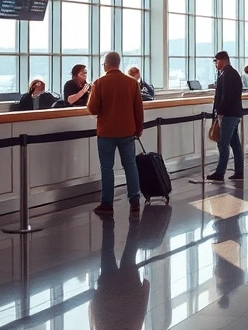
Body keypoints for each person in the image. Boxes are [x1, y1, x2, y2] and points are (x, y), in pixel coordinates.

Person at [88, 52, 144, 215]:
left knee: (107, 168)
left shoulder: (99, 83)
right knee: (130, 165)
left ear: (106, 65)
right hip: (127, 131)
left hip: (106, 132)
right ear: (119, 64)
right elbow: (138, 110)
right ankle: (134, 201)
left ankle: (107, 203)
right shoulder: (131, 83)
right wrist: (138, 129)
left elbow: (92, 109)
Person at [89, 216, 150, 330]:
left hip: (130, 288)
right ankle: (108, 219)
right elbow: (97, 314)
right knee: (107, 250)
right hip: (109, 290)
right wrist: (98, 295)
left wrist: (145, 287)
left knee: (130, 252)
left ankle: (134, 219)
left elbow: (139, 313)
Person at [207, 51, 245, 182]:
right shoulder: (230, 73)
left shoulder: (228, 74)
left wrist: (220, 111)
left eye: (216, 61)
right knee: (235, 143)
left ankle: (220, 172)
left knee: (223, 143)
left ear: (222, 60)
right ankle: (239, 171)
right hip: (234, 113)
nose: (215, 64)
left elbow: (226, 95)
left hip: (228, 114)